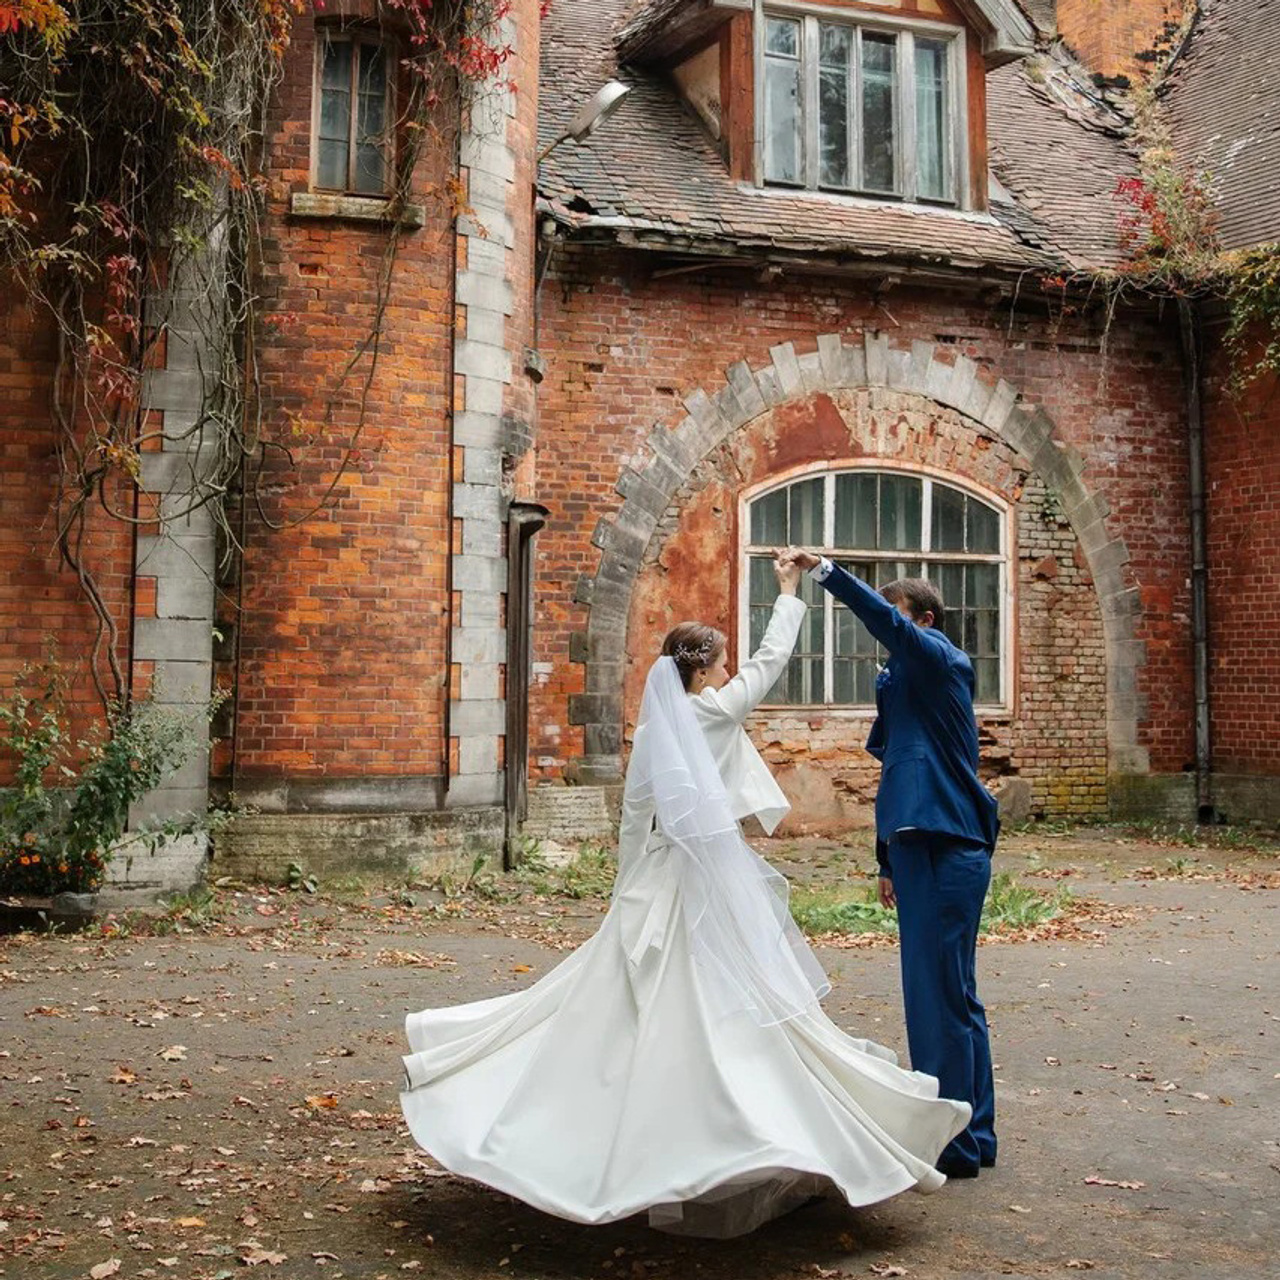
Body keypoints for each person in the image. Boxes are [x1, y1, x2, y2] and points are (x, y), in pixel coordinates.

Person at [399, 553, 970, 1237]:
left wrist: (628, 890)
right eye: (720, 664)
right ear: (700, 673)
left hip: (659, 877)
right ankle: (735, 1134)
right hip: (709, 880)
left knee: (634, 1009)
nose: (728, 673)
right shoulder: (716, 712)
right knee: (731, 1007)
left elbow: (635, 817)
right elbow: (769, 662)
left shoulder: (653, 732)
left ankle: (623, 1137)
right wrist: (788, 592)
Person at [781, 549, 999, 1180]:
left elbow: (886, 625)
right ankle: (973, 1134)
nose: (888, 635)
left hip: (944, 843)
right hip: (915, 844)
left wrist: (824, 571)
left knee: (939, 997)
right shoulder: (908, 684)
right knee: (948, 994)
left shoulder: (942, 659)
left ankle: (954, 1143)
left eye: (898, 616)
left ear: (924, 620)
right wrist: (884, 860)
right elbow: (897, 770)